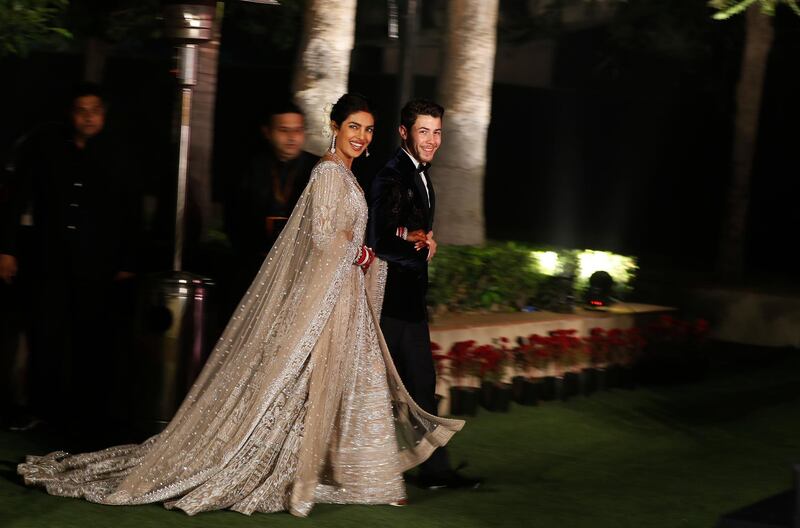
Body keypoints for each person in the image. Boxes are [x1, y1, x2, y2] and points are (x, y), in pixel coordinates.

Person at [18, 93, 464, 517]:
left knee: (339, 385)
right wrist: (368, 255)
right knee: (302, 385)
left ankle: (364, 476)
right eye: (353, 126)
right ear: (334, 126)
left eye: (368, 129)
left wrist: (385, 248)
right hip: (329, 299)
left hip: (341, 297)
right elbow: (326, 239)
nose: (362, 136)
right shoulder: (330, 173)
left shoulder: (344, 173)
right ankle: (331, 474)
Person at [0, 83, 141, 432]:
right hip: (49, 258)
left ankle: (87, 413)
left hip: (98, 262)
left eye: (95, 110)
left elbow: (131, 210)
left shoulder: (118, 152)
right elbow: (18, 198)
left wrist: (128, 260)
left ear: (104, 115)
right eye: (82, 110)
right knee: (45, 334)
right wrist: (7, 249)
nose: (88, 117)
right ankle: (41, 409)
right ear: (71, 113)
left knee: (92, 338)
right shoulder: (46, 147)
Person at [367, 99, 481, 489]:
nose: (432, 140)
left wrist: (420, 240)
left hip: (409, 304)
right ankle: (365, 472)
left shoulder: (421, 175)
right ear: (404, 132)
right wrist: (420, 250)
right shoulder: (390, 175)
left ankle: (434, 471)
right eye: (423, 131)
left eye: (436, 132)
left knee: (421, 387)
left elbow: (404, 231)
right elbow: (379, 239)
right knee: (375, 392)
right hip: (386, 304)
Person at [224, 101, 317, 306]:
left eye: (298, 130)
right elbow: (233, 219)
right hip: (255, 265)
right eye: (284, 130)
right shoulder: (250, 168)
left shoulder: (317, 168)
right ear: (267, 132)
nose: (292, 137)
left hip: (301, 268)